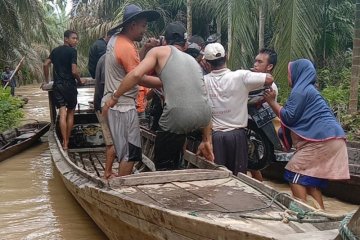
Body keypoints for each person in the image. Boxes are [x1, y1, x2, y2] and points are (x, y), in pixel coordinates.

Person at [103, 22, 214, 171]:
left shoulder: (159, 52)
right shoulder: (193, 61)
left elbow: (136, 74)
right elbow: (201, 94)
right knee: (177, 145)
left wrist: (115, 97)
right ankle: (179, 168)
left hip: (177, 115)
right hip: (204, 117)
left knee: (162, 164)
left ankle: (167, 181)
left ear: (165, 41)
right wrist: (207, 140)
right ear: (185, 44)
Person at [263, 59, 350, 209]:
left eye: (289, 74)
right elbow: (293, 116)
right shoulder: (307, 90)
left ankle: (303, 213)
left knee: (294, 173)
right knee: (310, 182)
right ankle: (320, 214)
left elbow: (289, 117)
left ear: (298, 74)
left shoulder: (300, 91)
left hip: (323, 140)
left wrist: (271, 102)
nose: (289, 78)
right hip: (332, 139)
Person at [101, 4, 161, 176]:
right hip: (123, 106)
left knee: (123, 150)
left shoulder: (117, 40)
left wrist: (145, 49)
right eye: (143, 26)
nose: (144, 30)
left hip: (116, 105)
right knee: (130, 153)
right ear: (132, 24)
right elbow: (137, 76)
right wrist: (165, 82)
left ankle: (116, 179)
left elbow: (132, 67)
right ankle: (123, 189)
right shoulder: (126, 47)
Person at [202, 43, 273, 176]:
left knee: (218, 179)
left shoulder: (204, 81)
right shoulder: (241, 76)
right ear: (226, 57)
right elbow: (269, 79)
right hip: (237, 137)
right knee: (238, 179)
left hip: (215, 137)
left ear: (206, 62)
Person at [43, 30, 83, 151]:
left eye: (76, 38)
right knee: (70, 112)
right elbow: (74, 71)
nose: (76, 40)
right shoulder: (72, 51)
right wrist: (80, 81)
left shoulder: (55, 51)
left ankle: (63, 142)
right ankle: (67, 142)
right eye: (73, 38)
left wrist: (46, 81)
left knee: (62, 112)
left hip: (58, 86)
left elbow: (46, 64)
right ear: (66, 39)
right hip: (69, 86)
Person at [248, 48, 278, 181]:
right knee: (252, 168)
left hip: (257, 136)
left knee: (253, 166)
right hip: (248, 132)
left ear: (269, 66)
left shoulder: (270, 88)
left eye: (260, 62)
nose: (255, 64)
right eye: (255, 61)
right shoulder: (250, 82)